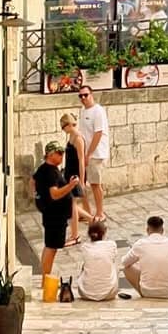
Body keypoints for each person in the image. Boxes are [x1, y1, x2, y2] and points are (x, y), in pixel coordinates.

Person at [33, 142, 80, 275]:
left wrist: (37, 196)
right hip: (54, 216)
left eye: (62, 153)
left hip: (52, 214)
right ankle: (45, 279)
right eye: (59, 154)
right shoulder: (50, 172)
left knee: (49, 247)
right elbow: (54, 194)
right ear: (50, 154)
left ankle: (45, 276)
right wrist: (71, 185)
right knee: (51, 248)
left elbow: (33, 181)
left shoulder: (44, 169)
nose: (62, 156)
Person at [122, 215, 168, 298]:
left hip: (147, 291)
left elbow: (124, 262)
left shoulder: (141, 244)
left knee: (127, 268)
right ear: (162, 230)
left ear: (147, 230)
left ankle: (144, 291)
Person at [77, 85, 110, 222]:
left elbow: (98, 133)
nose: (83, 98)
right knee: (84, 182)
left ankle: (100, 213)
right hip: (86, 152)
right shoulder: (83, 111)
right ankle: (87, 212)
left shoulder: (98, 111)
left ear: (92, 94)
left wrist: (89, 153)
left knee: (96, 184)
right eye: (81, 96)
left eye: (86, 95)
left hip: (96, 153)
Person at [59, 111, 92, 244]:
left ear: (69, 125)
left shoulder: (78, 138)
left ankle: (75, 236)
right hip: (69, 174)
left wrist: (82, 181)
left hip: (76, 175)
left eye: (63, 127)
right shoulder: (71, 137)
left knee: (71, 204)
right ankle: (91, 219)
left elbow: (81, 160)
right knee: (69, 204)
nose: (63, 129)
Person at [77, 218, 119, 301]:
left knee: (85, 265)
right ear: (104, 233)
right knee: (113, 265)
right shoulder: (111, 245)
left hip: (86, 294)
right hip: (109, 294)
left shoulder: (85, 247)